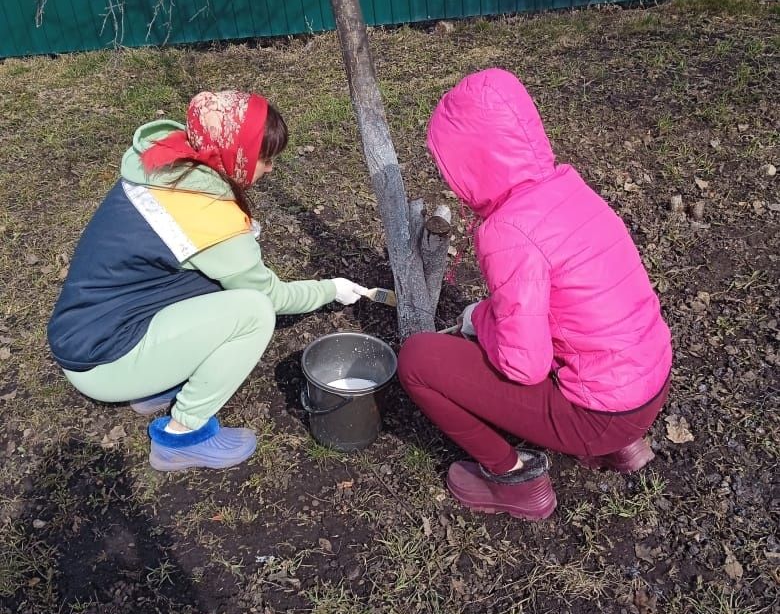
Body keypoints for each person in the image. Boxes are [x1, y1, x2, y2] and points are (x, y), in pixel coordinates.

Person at [397, 69, 672, 521]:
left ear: (471, 160)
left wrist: (479, 321)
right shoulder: (566, 187)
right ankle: (623, 447)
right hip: (647, 381)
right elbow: (563, 304)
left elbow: (524, 367)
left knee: (419, 360)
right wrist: (486, 315)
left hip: (602, 413)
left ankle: (513, 478)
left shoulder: (507, 230)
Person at [47, 90, 364, 471]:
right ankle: (182, 436)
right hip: (103, 361)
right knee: (254, 311)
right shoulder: (206, 213)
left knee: (221, 282)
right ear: (239, 153)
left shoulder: (166, 163)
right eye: (266, 158)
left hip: (87, 327)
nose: (271, 169)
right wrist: (331, 288)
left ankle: (156, 383)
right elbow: (272, 296)